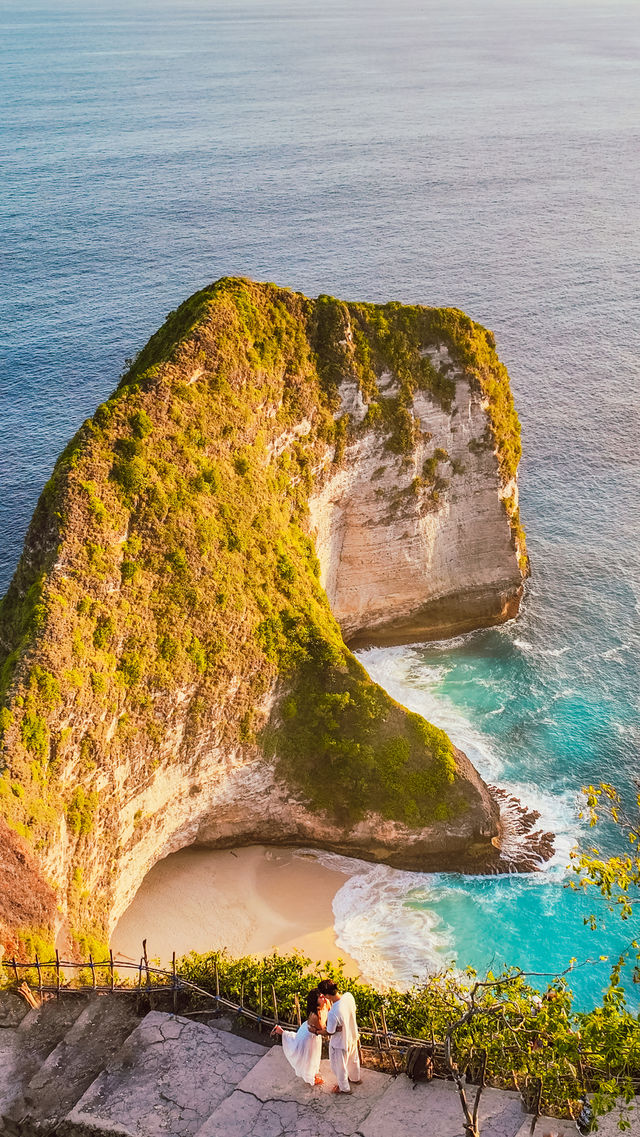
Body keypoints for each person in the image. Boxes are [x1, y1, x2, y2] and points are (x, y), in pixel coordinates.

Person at [271, 987, 329, 1086]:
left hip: (310, 1032)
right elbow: (324, 1031)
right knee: (309, 1057)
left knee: (300, 1046)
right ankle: (312, 1078)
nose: (323, 998)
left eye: (323, 995)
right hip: (309, 1036)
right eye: (320, 997)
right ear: (315, 1001)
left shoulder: (325, 1004)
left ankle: (280, 1031)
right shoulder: (315, 1016)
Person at [318, 979, 361, 1094]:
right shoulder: (348, 997)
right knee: (353, 1060)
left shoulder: (333, 1012)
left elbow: (330, 1031)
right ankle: (356, 1079)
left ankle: (344, 1088)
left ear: (327, 995)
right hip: (352, 1035)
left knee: (340, 1067)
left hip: (340, 1042)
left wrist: (318, 1031)